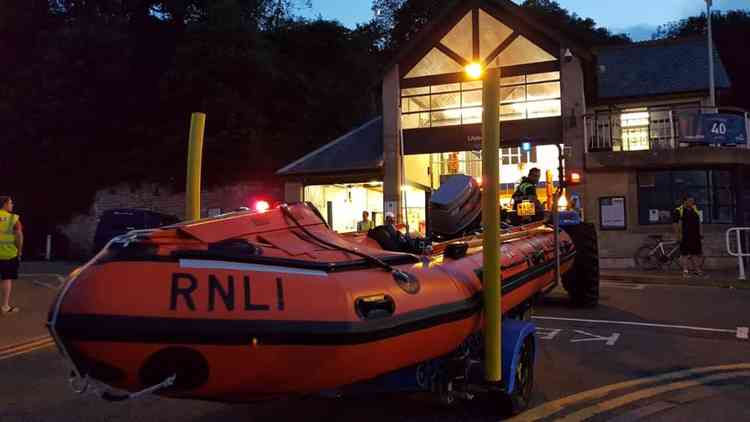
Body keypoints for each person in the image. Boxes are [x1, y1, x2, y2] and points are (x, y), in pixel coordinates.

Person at [0, 196, 23, 314]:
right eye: (10, 203)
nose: (12, 205)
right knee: (6, 279)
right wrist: (19, 251)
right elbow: (19, 236)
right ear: (4, 204)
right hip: (8, 254)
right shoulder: (13, 219)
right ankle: (5, 306)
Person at [673, 195, 705, 277]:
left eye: (693, 201)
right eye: (690, 201)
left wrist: (701, 233)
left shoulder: (695, 209)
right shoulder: (678, 210)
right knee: (685, 255)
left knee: (695, 254)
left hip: (695, 236)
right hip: (685, 236)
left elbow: (699, 222)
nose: (692, 203)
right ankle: (685, 271)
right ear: (685, 201)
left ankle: (697, 270)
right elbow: (675, 224)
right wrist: (678, 236)